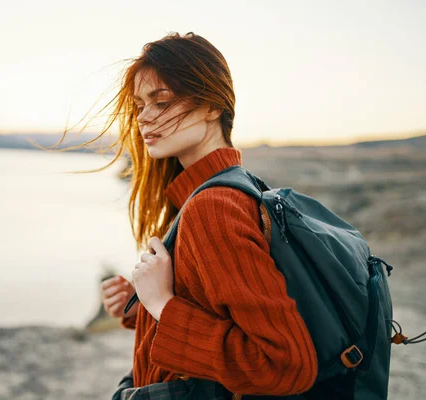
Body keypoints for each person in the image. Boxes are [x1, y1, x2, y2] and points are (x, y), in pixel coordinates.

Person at [76, 32, 318, 398]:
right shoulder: (226, 188)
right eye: (140, 104)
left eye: (161, 101)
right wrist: (140, 304)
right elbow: (223, 312)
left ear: (211, 106)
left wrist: (162, 303)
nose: (143, 117)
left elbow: (285, 365)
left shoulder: (214, 207)